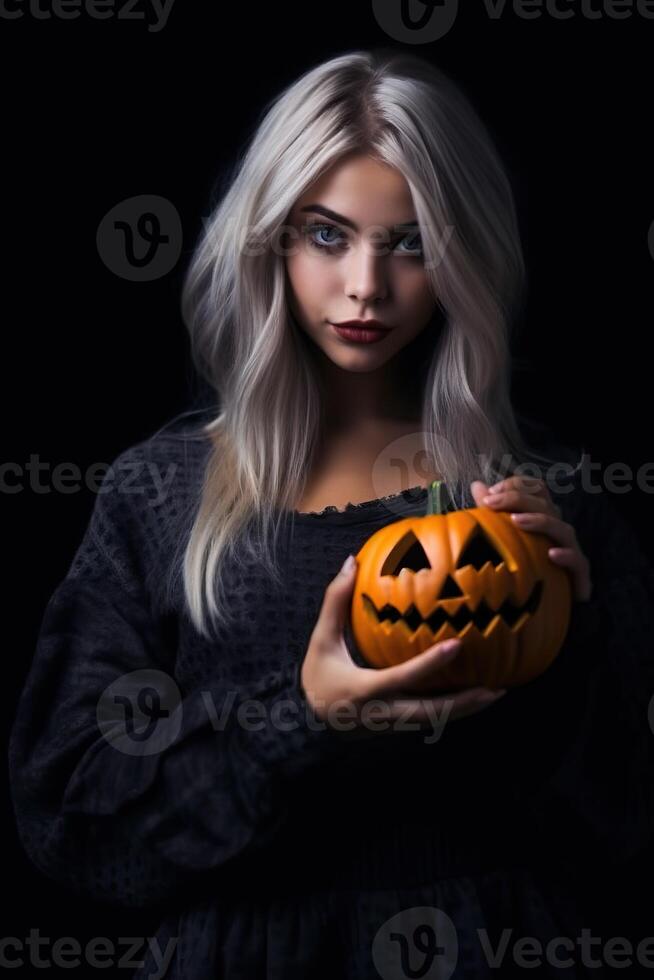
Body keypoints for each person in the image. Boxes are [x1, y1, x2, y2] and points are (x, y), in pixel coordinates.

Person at [9, 49, 654, 979]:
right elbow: (72, 815)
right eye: (326, 236)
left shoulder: (544, 500)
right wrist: (304, 717)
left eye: (412, 243)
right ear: (270, 239)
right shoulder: (161, 496)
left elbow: (629, 826)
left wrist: (575, 639)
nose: (365, 287)